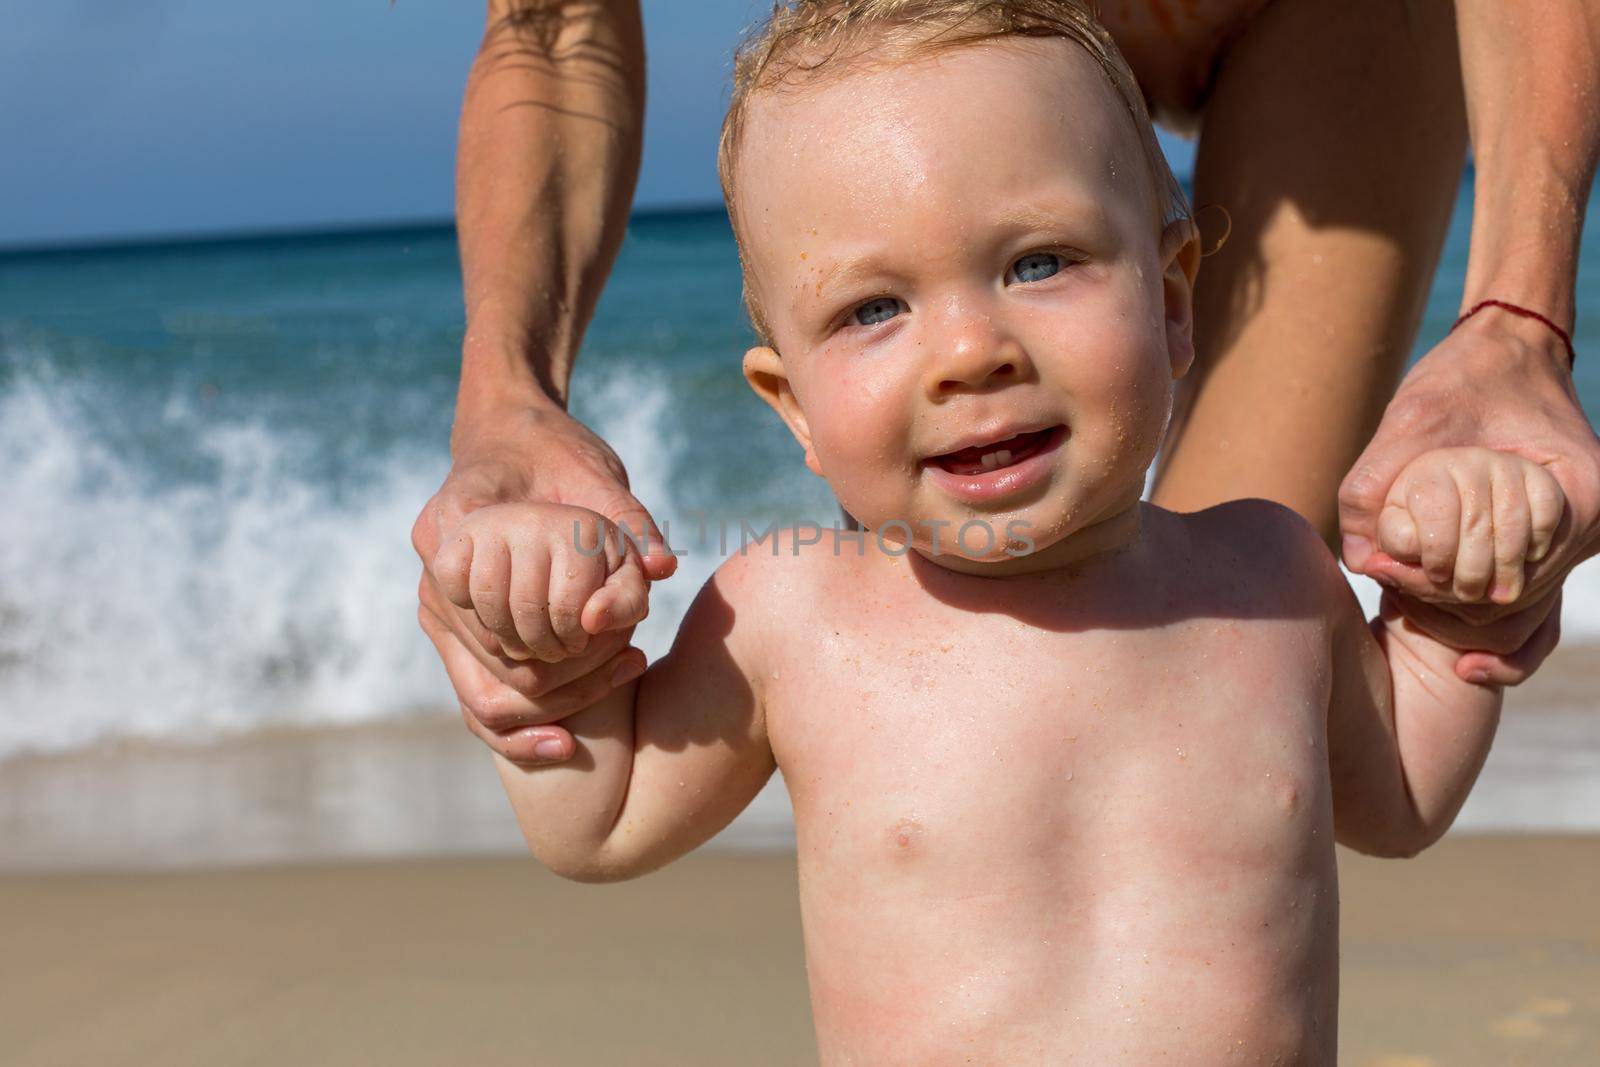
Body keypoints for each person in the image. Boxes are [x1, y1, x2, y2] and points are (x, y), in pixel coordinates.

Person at [418, 4, 1564, 1057]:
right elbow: (602, 823)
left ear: (1173, 305)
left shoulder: (1268, 574)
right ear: (794, 407)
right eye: (874, 308)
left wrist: (1458, 598)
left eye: (1039, 262)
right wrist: (549, 655)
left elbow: (1400, 797)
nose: (971, 351)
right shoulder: (788, 616)